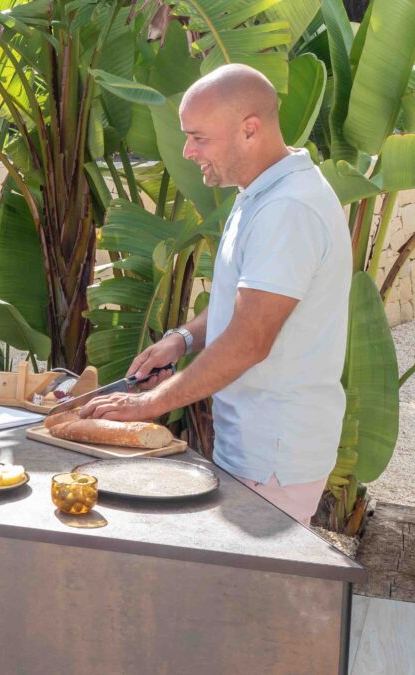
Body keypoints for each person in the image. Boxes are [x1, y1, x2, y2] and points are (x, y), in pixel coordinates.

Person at [78, 64, 351, 526]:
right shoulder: (261, 193)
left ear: (250, 129)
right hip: (253, 443)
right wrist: (182, 339)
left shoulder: (287, 209)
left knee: (253, 594)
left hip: (274, 454)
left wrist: (147, 404)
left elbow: (250, 339)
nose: (188, 151)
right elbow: (243, 303)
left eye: (199, 138)